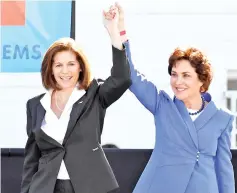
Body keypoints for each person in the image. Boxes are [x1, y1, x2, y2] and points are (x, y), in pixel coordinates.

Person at [105, 3, 235, 193]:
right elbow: (131, 76)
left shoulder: (223, 119)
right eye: (174, 74)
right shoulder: (162, 105)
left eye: (186, 75)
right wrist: (119, 31)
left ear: (202, 80)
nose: (178, 81)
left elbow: (224, 170)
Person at [20, 7, 131, 193]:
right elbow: (32, 159)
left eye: (71, 64)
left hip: (88, 186)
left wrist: (113, 32)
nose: (65, 71)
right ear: (51, 69)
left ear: (80, 67)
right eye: (59, 65)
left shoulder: (94, 95)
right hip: (46, 187)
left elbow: (122, 79)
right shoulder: (35, 105)